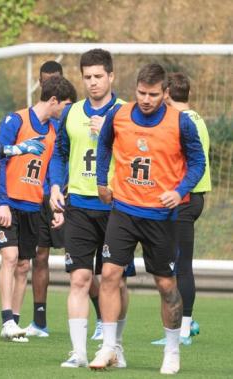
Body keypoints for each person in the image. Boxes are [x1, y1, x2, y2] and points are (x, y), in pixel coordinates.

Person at [90, 63, 205, 375]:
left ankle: (171, 351)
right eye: (141, 92)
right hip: (124, 210)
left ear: (165, 93)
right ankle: (110, 347)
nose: (146, 99)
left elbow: (198, 162)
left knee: (166, 284)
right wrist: (102, 181)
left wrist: (180, 190)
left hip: (161, 215)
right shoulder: (119, 114)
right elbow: (103, 145)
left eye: (153, 94)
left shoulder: (181, 123)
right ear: (135, 89)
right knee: (110, 275)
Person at [48, 49, 130, 367]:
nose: (93, 83)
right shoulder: (71, 113)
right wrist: (56, 185)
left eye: (98, 76)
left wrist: (107, 132)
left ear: (111, 76)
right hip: (79, 206)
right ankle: (79, 352)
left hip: (116, 207)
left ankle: (114, 346)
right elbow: (59, 154)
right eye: (87, 77)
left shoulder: (126, 113)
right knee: (80, 278)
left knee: (114, 280)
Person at [0, 76, 75, 341]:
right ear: (53, 101)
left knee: (23, 265)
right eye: (65, 105)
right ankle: (6, 320)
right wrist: (2, 202)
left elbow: (52, 169)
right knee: (9, 257)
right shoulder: (16, 120)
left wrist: (54, 194)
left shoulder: (53, 131)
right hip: (9, 204)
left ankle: (15, 323)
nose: (65, 111)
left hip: (32, 206)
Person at [151, 72, 211, 346]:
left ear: (166, 94)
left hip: (186, 199)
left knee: (181, 265)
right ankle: (189, 321)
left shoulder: (183, 122)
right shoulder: (196, 117)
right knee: (178, 262)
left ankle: (184, 328)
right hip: (194, 197)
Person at [25, 60, 66, 337]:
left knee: (80, 262)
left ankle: (102, 318)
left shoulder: (69, 118)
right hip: (36, 197)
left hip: (65, 197)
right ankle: (39, 321)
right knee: (38, 256)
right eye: (45, 81)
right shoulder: (29, 119)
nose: (50, 85)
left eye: (55, 80)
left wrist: (59, 188)